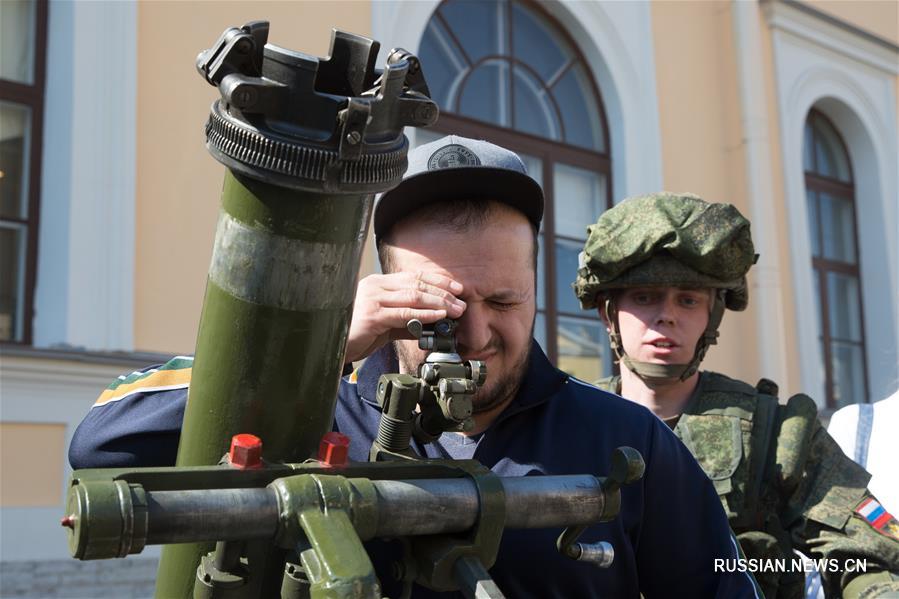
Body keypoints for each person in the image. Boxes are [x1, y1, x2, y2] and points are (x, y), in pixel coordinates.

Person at [70, 137, 760, 598]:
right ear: (382, 292)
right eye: (443, 305)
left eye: (503, 300)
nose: (478, 333)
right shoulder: (313, 406)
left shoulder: (628, 440)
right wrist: (319, 346)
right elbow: (100, 443)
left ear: (536, 290)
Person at [573, 192, 899, 599]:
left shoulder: (774, 435)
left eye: (688, 299)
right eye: (644, 297)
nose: (667, 315)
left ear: (713, 314)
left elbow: (865, 556)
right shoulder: (567, 426)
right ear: (608, 311)